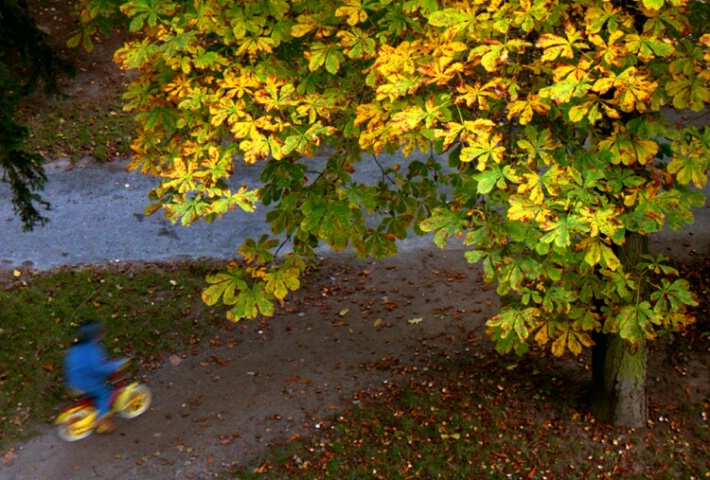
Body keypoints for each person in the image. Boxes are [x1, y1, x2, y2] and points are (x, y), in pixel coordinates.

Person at [63, 320, 128, 433]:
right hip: (85, 384)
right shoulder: (93, 351)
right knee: (104, 393)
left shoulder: (75, 349)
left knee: (94, 388)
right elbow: (100, 368)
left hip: (72, 382)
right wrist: (117, 365)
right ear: (97, 336)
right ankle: (101, 420)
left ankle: (91, 407)